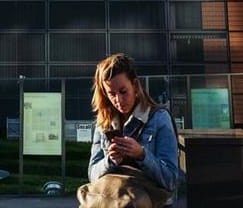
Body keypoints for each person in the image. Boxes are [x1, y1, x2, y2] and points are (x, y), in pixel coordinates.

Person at [77, 53, 181, 208]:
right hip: (110, 199)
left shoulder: (159, 118)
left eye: (123, 91)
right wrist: (111, 161)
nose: (118, 100)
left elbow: (171, 180)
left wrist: (142, 155)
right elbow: (92, 174)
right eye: (111, 94)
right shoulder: (104, 122)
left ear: (135, 85)